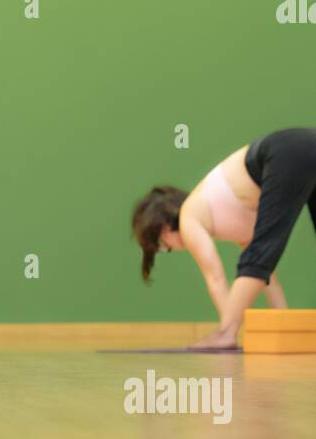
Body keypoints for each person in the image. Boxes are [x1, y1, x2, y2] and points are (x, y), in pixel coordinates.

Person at [131, 129, 316, 350]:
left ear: (163, 229)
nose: (171, 249)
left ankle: (225, 332)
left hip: (284, 152)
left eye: (163, 247)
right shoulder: (228, 214)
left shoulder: (189, 217)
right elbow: (266, 272)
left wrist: (228, 331)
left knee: (258, 255)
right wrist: (282, 321)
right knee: (261, 255)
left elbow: (216, 278)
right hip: (302, 145)